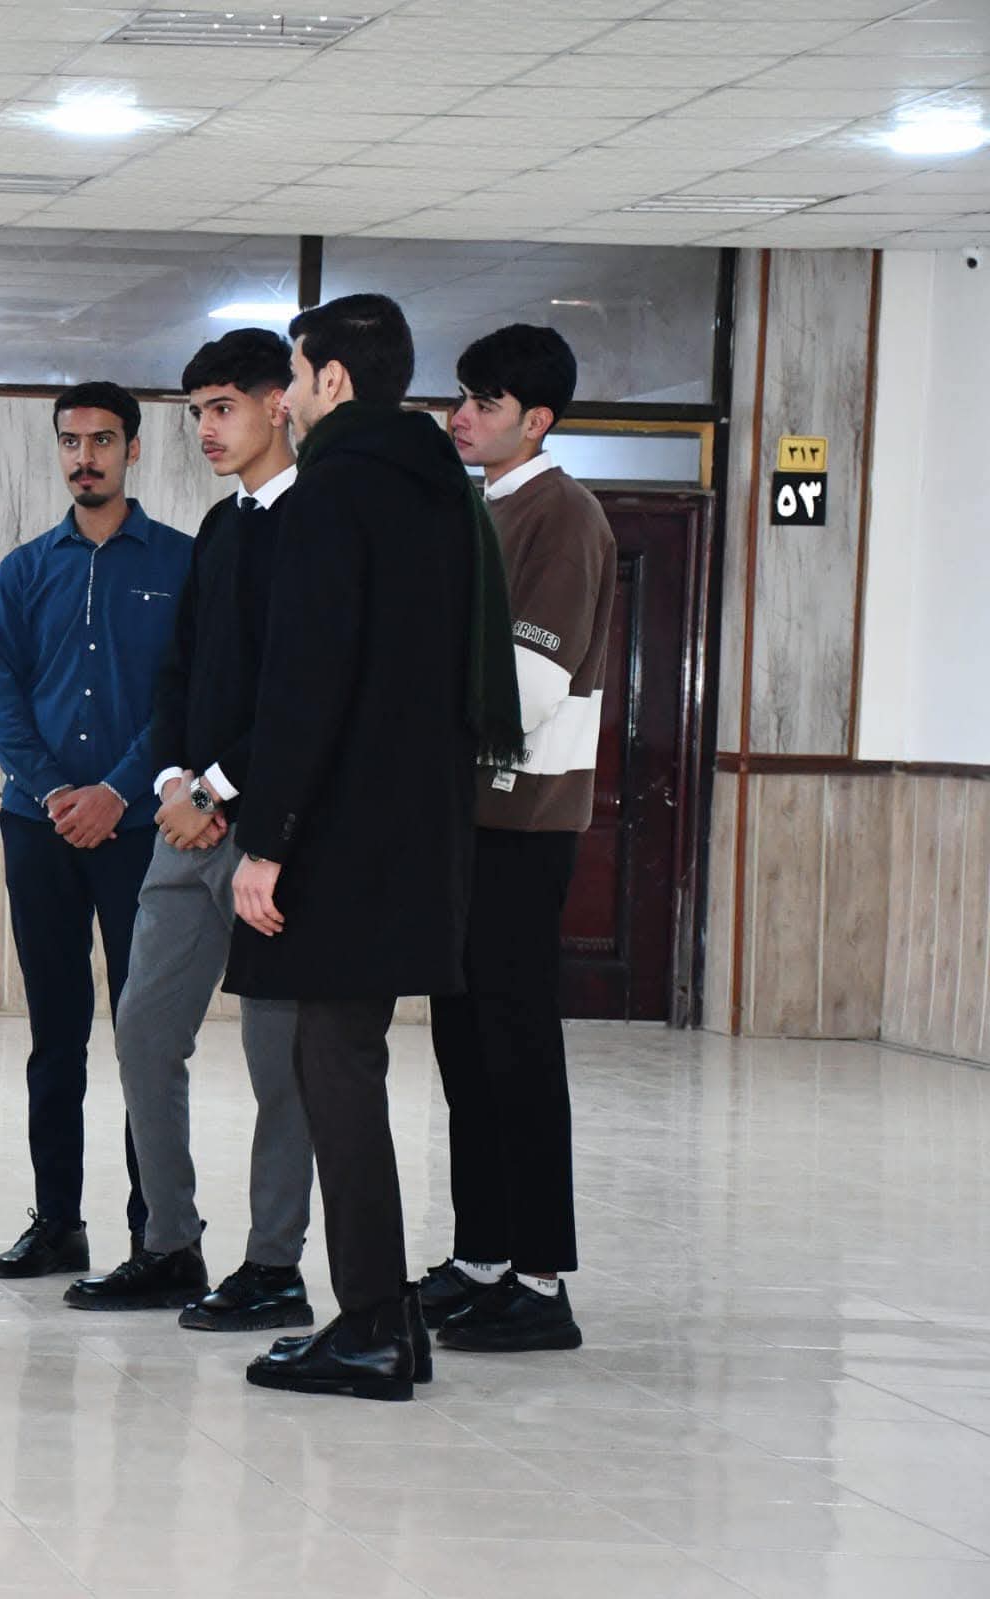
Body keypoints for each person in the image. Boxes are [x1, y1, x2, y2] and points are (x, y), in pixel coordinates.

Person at [226, 293, 523, 1402]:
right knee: (348, 1060)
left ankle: (369, 1325)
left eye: (296, 378)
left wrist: (267, 842)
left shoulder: (334, 492)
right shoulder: (442, 489)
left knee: (333, 1067)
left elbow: (306, 682)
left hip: (341, 835)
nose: (287, 402)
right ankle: (388, 1317)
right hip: (421, 829)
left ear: (334, 381)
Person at [64, 329, 314, 1327]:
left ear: (278, 405)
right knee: (142, 1029)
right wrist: (174, 778)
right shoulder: (221, 526)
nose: (206, 429)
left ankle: (274, 1266)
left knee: (277, 1063)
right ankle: (169, 1244)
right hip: (184, 824)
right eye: (197, 412)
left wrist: (214, 791)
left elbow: (301, 692)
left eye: (223, 408)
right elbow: (182, 672)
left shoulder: (318, 525)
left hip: (271, 837)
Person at [422, 325, 616, 1354]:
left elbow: (526, 688)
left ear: (536, 420)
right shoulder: (478, 508)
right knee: (465, 1048)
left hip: (524, 823)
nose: (461, 417)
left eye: (484, 403)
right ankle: (482, 1258)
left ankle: (540, 1282)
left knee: (517, 1049)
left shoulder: (563, 516)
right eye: (460, 397)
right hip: (464, 822)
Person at [0, 382, 194, 1280]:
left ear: (132, 449)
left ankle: (160, 1234)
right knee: (55, 1032)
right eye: (70, 442)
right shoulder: (23, 570)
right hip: (40, 830)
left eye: (102, 440)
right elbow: (0, 700)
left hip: (144, 830)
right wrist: (61, 792)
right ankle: (57, 1222)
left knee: (144, 1036)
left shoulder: (182, 564)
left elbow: (185, 699)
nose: (85, 457)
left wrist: (114, 790)